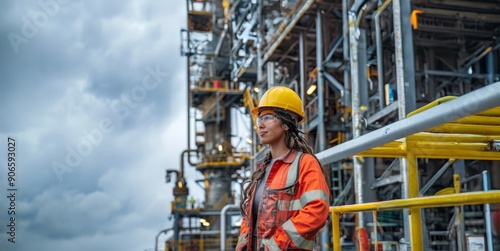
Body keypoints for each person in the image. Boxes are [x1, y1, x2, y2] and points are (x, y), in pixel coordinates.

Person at [236, 86, 331, 251]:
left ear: (286, 124)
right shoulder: (262, 170)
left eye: (268, 118)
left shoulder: (305, 164)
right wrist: (242, 245)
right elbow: (249, 217)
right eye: (260, 119)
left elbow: (317, 209)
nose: (261, 125)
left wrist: (276, 245)